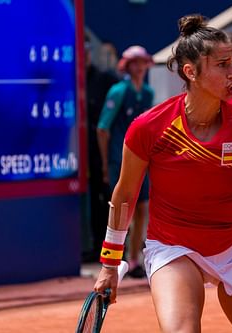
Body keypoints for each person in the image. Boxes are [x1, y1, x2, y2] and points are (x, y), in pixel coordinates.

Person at [94, 14, 232, 332]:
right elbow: (125, 194)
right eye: (222, 65)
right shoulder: (149, 127)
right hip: (174, 245)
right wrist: (109, 263)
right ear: (191, 72)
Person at [97, 45, 154, 278]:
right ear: (127, 66)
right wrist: (104, 164)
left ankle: (133, 260)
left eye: (143, 63)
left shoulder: (148, 93)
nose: (139, 67)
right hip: (118, 159)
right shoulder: (118, 91)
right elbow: (103, 129)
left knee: (143, 208)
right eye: (135, 63)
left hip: (142, 159)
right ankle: (113, 262)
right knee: (121, 209)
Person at [84, 36, 119, 262]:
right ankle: (96, 244)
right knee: (93, 200)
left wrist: (107, 158)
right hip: (82, 153)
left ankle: (114, 251)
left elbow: (107, 125)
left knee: (110, 198)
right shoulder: (74, 78)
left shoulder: (106, 80)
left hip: (104, 153)